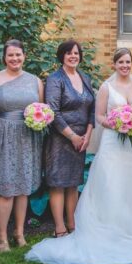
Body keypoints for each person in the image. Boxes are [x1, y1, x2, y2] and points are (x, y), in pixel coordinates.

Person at [26, 48, 132, 264]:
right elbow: (98, 116)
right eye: (121, 62)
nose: (125, 65)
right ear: (114, 64)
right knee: (111, 183)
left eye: (128, 62)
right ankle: (107, 224)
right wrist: (117, 123)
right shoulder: (106, 87)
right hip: (112, 142)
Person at [0, 40, 44, 252]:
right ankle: (2, 237)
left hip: (27, 137)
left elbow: (41, 108)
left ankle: (19, 233)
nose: (15, 59)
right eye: (10, 55)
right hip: (1, 138)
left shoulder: (35, 81)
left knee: (23, 188)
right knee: (6, 188)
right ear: (4, 58)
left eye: (18, 55)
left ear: (24, 56)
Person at [44, 40, 95, 238]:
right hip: (60, 138)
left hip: (82, 138)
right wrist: (72, 136)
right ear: (62, 56)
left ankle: (72, 224)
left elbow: (92, 108)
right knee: (58, 183)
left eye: (76, 53)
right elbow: (53, 111)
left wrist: (87, 135)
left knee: (73, 183)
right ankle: (59, 228)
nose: (73, 56)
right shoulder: (55, 79)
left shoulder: (85, 78)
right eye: (68, 53)